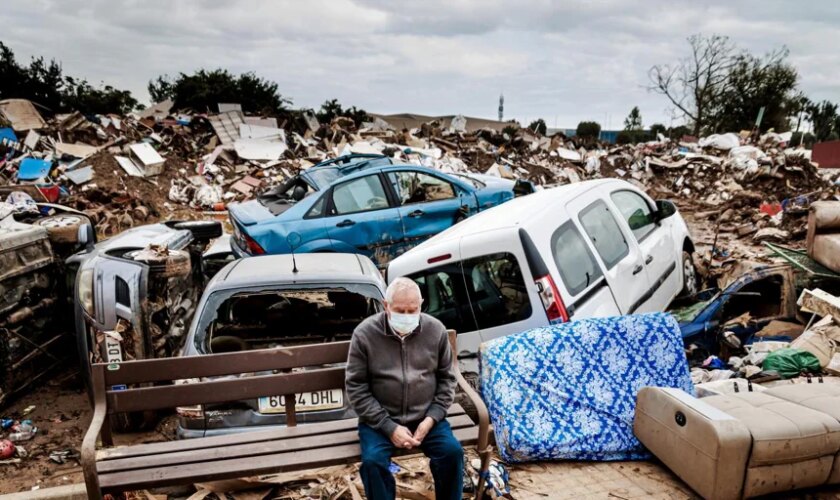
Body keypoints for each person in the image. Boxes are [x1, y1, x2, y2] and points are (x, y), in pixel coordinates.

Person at [346, 277, 463, 500]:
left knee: (452, 453)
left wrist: (431, 419)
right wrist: (389, 427)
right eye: (400, 310)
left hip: (426, 417)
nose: (407, 316)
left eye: (413, 310)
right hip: (379, 421)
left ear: (421, 304)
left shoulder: (435, 330)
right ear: (385, 305)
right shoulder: (365, 334)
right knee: (372, 463)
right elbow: (356, 387)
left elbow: (447, 380)